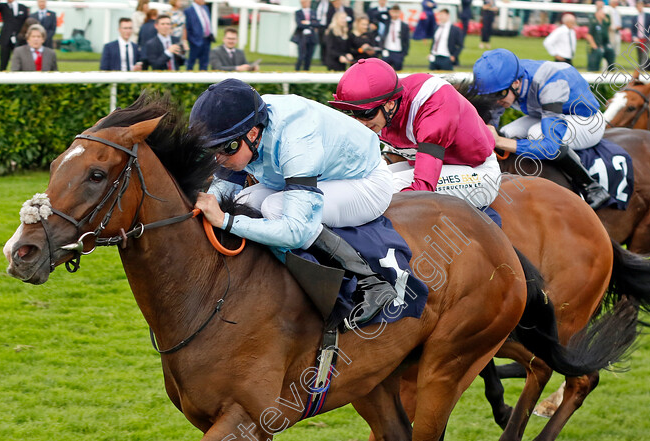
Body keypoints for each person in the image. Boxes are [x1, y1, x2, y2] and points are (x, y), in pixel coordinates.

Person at [191, 79, 397, 325]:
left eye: (226, 149)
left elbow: (297, 230)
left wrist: (226, 220)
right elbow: (217, 197)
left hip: (366, 182)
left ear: (253, 134)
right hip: (320, 175)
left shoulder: (297, 139)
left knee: (274, 207)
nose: (218, 158)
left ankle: (370, 280)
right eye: (211, 150)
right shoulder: (245, 127)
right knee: (244, 199)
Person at [329, 58, 502, 208]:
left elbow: (423, 189)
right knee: (363, 184)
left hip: (479, 173)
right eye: (354, 114)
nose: (361, 122)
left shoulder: (433, 105)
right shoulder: (385, 106)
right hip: (436, 165)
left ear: (389, 104)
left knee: (382, 188)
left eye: (366, 114)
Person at [471, 49, 612, 209]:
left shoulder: (550, 82)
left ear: (516, 83)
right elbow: (493, 122)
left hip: (586, 120)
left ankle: (591, 187)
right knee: (508, 131)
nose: (495, 102)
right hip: (546, 113)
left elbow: (551, 147)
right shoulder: (505, 80)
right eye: (489, 96)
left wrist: (500, 141)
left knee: (536, 134)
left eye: (498, 96)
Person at [0, 0, 30, 71]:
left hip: (19, 38)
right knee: (3, 59)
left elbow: (26, 22)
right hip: (6, 37)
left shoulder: (23, 7)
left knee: (21, 58)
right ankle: (1, 76)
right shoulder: (4, 6)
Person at [185, 0, 215, 70]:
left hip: (207, 39)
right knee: (191, 61)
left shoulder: (205, 8)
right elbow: (187, 27)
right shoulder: (188, 11)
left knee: (205, 61)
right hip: (195, 40)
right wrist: (191, 39)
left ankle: (203, 78)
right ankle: (188, 78)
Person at [585, 1, 615, 72]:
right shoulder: (593, 22)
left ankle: (611, 69)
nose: (603, 14)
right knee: (598, 52)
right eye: (602, 13)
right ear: (597, 14)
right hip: (595, 45)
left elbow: (609, 24)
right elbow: (589, 35)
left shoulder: (604, 22)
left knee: (610, 51)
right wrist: (594, 46)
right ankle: (594, 71)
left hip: (603, 44)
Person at [292, 0, 320, 71]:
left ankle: (306, 71)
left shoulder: (313, 12)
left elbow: (317, 24)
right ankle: (297, 71)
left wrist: (307, 23)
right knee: (301, 56)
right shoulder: (298, 12)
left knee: (309, 57)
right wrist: (310, 24)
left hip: (311, 37)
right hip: (302, 37)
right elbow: (299, 24)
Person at [380, 5, 410, 70]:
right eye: (393, 12)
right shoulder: (386, 22)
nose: (395, 14)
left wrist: (404, 53)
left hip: (398, 51)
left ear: (400, 12)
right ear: (390, 12)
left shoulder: (404, 25)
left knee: (398, 71)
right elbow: (377, 15)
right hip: (387, 50)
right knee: (384, 70)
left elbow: (406, 40)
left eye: (397, 12)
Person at [630, 1, 650, 67]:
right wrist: (634, 37)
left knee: (645, 54)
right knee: (639, 55)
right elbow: (632, 29)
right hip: (638, 39)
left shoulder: (649, 16)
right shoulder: (634, 18)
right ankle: (641, 68)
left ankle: (642, 69)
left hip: (646, 38)